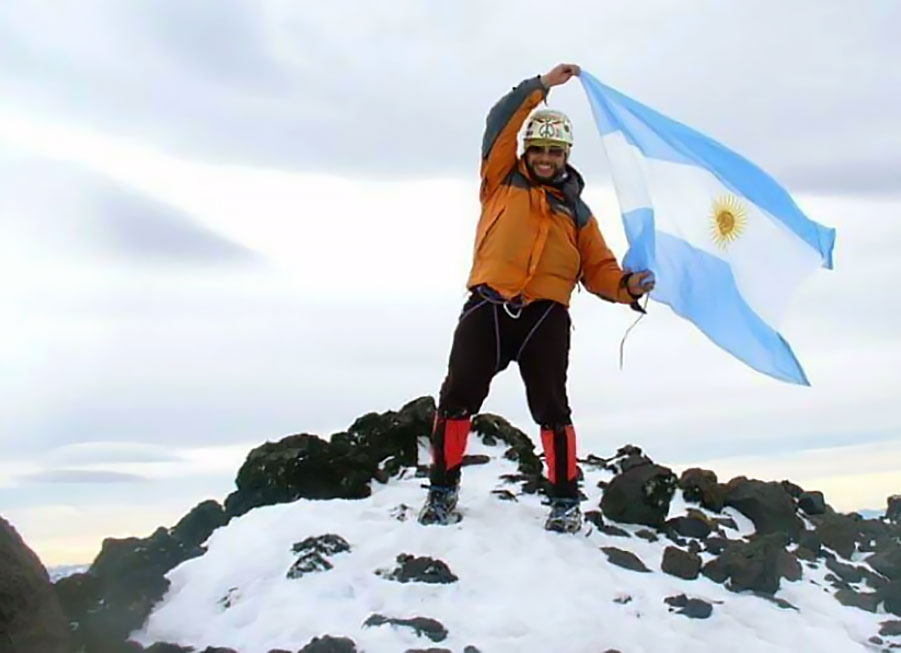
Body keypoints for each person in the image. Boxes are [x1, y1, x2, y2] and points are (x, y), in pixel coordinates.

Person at [419, 63, 655, 533]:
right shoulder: (499, 178)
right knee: (457, 396)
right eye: (539, 149)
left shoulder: (577, 212)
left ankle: (565, 501)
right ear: (526, 149)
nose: (546, 158)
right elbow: (499, 120)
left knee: (552, 407)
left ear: (566, 155)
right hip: (489, 306)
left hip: (545, 318)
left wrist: (627, 287)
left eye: (555, 151)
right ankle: (442, 491)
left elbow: (599, 269)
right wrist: (542, 86)